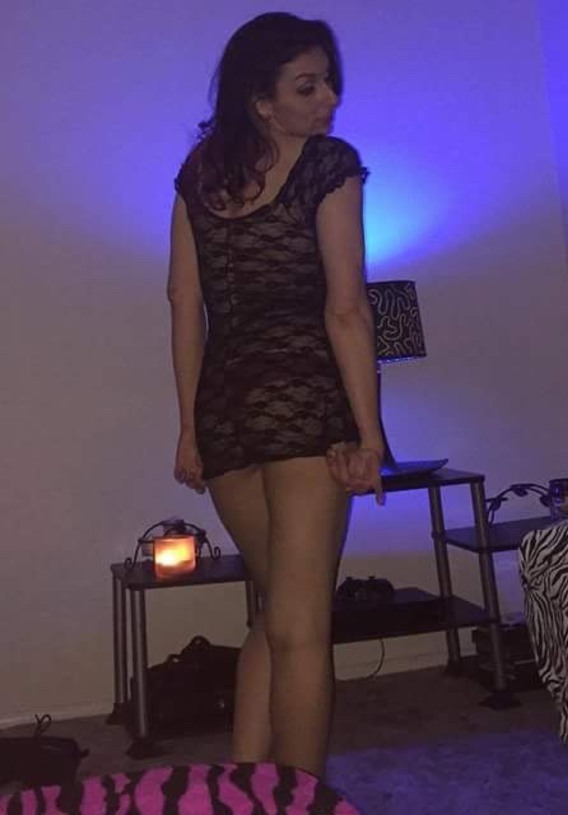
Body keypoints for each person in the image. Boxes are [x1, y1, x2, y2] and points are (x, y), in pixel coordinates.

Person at [167, 11, 384, 779]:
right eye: (307, 86)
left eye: (329, 82)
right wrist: (370, 435)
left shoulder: (200, 172)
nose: (329, 99)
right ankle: (299, 797)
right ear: (261, 101)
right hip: (302, 402)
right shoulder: (328, 164)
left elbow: (183, 304)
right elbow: (346, 309)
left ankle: (245, 783)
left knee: (275, 611)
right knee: (302, 626)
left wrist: (189, 428)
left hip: (226, 410)